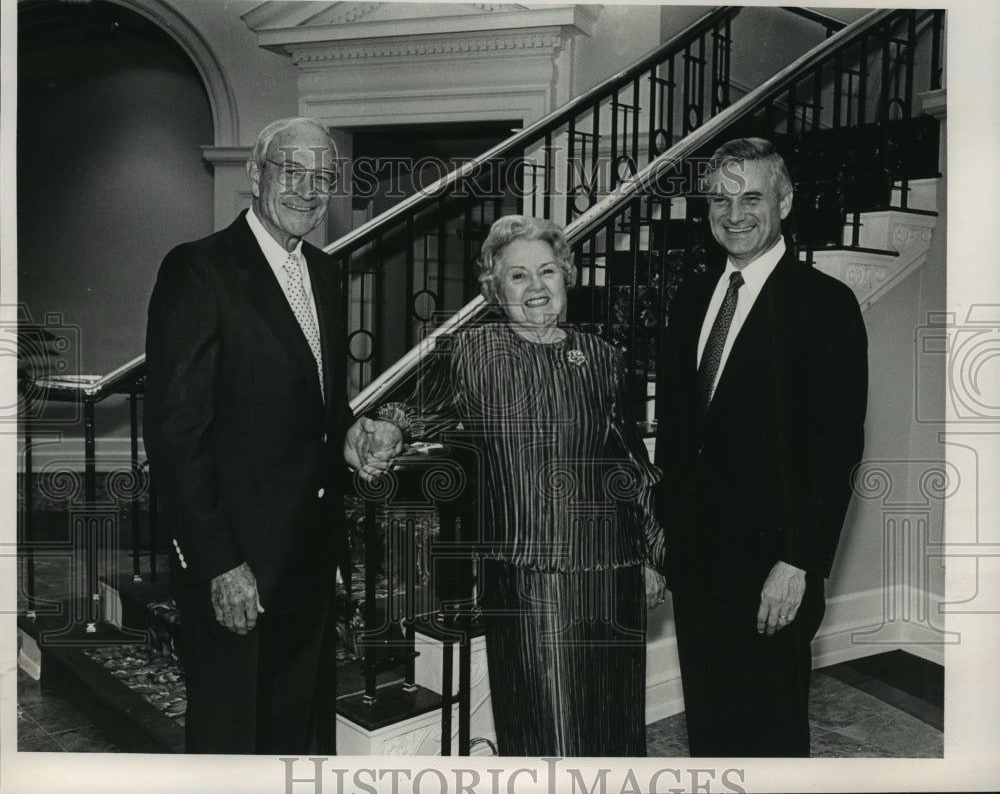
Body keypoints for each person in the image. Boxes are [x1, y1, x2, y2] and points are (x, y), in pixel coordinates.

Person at [143, 117, 401, 754]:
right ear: (256, 175)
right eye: (292, 171)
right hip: (238, 567)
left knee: (296, 737)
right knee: (233, 745)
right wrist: (218, 564)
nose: (308, 190)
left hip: (309, 561)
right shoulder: (198, 271)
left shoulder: (324, 272)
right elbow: (176, 436)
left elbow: (319, 411)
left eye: (323, 177)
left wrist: (352, 437)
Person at [377, 215, 666, 756]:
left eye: (548, 271)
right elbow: (416, 412)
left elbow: (628, 461)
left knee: (615, 726)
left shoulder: (603, 357)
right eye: (518, 276)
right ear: (493, 286)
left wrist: (652, 554)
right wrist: (384, 430)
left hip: (615, 573)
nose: (536, 287)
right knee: (547, 734)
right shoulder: (473, 352)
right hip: (529, 579)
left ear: (568, 276)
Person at [654, 137, 868, 757]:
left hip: (774, 568)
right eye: (720, 199)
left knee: (771, 735)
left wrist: (799, 561)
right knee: (713, 730)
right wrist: (661, 539)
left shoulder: (825, 304)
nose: (735, 213)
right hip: (698, 563)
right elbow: (676, 434)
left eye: (752, 196)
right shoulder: (692, 298)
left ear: (785, 200)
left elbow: (836, 447)